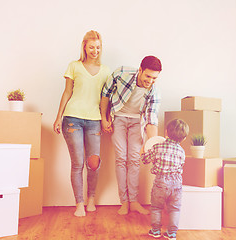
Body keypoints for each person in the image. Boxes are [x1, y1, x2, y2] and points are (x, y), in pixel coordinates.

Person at [53, 30, 110, 217]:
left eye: (98, 47)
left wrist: (105, 119)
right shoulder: (74, 66)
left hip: (94, 121)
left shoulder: (106, 71)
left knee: (94, 163)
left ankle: (91, 199)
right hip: (72, 119)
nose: (95, 50)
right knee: (77, 164)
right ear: (84, 46)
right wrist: (58, 116)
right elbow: (67, 92)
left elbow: (105, 98)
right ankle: (79, 203)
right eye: (92, 47)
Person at [100, 56, 162, 215]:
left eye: (154, 78)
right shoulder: (121, 73)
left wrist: (151, 145)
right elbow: (105, 94)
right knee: (121, 158)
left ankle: (134, 202)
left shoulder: (154, 91)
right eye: (148, 76)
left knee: (134, 160)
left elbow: (151, 119)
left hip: (137, 123)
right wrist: (104, 119)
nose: (150, 81)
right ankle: (124, 202)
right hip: (118, 119)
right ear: (140, 70)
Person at [141, 119, 189, 240]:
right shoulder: (182, 152)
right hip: (177, 183)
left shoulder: (158, 147)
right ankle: (172, 233)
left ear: (166, 132)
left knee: (156, 207)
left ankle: (156, 231)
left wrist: (143, 150)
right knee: (175, 209)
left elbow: (145, 159)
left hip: (161, 182)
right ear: (184, 138)